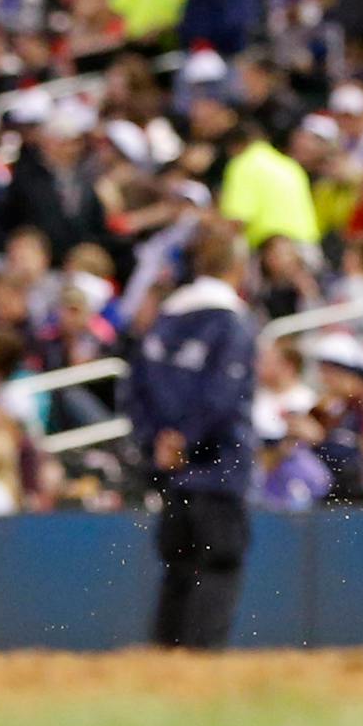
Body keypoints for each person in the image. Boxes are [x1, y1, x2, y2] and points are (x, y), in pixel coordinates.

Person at [125, 220, 258, 650]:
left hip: (171, 473)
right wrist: (186, 440)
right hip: (216, 469)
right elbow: (222, 396)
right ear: (235, 267)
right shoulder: (232, 324)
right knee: (217, 567)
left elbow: (134, 390)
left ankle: (163, 666)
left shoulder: (161, 322)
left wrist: (158, 442)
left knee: (178, 570)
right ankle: (200, 673)